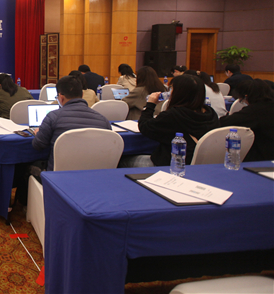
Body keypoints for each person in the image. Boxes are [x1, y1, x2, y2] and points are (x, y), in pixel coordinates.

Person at [13, 75, 111, 206]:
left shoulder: (53, 117)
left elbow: (38, 145)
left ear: (61, 97)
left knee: (23, 167)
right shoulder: (103, 120)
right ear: (82, 94)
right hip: (95, 179)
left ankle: (26, 206)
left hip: (58, 178)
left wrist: (38, 133)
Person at [120, 74, 219, 167]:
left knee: (122, 160)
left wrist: (150, 105)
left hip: (171, 165)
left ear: (178, 93)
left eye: (172, 89)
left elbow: (145, 127)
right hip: (202, 165)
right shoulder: (210, 113)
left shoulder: (174, 115)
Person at [220, 79, 274, 162]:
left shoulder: (255, 111)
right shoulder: (268, 105)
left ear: (246, 96)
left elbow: (224, 122)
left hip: (263, 158)